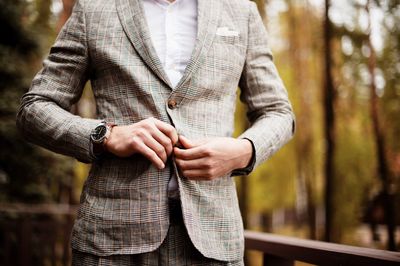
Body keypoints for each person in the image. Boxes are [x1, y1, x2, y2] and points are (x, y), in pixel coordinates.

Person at [16, 0, 295, 264]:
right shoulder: (94, 10)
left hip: (214, 240)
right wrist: (106, 135)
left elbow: (278, 112)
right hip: (111, 241)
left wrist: (242, 151)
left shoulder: (240, 11)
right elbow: (34, 109)